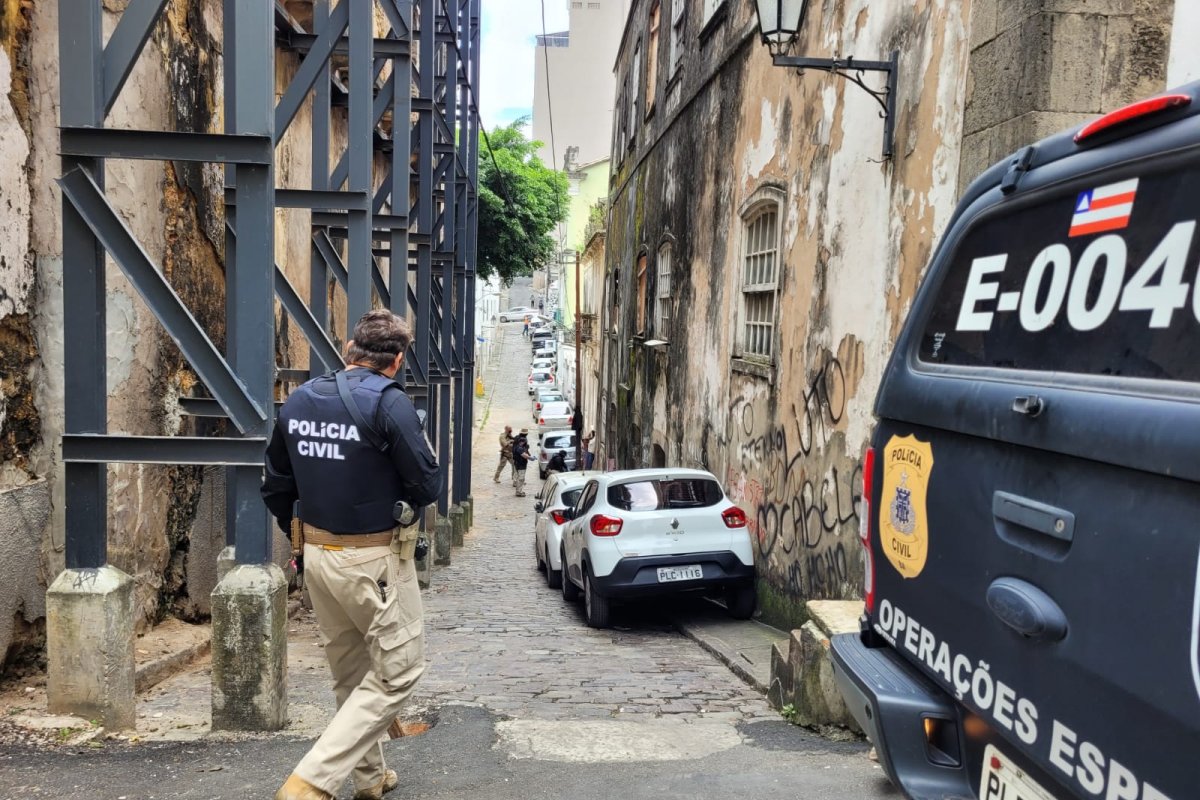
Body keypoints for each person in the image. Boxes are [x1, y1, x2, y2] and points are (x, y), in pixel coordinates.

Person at [263, 310, 442, 800]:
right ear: (397, 360)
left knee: (350, 675)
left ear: (348, 349)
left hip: (316, 554)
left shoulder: (299, 400)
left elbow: (276, 485)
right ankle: (311, 782)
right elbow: (427, 485)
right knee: (399, 673)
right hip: (373, 560)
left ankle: (370, 779)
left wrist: (302, 537)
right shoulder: (391, 404)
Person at [511, 430, 531, 497]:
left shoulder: (516, 440)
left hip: (516, 461)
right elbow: (524, 454)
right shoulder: (520, 447)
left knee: (517, 475)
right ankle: (519, 492)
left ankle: (515, 484)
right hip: (521, 463)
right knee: (521, 478)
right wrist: (530, 457)